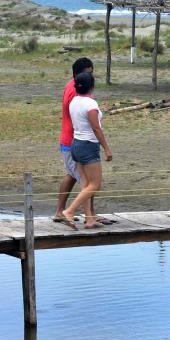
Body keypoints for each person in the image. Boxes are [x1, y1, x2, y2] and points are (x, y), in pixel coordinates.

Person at [53, 57, 114, 225]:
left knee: (76, 177)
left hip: (74, 140)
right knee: (87, 181)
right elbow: (91, 124)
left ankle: (86, 216)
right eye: (90, 72)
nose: (92, 76)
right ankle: (70, 212)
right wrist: (106, 148)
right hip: (76, 140)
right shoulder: (77, 92)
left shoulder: (74, 89)